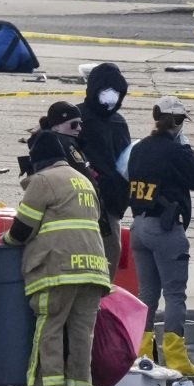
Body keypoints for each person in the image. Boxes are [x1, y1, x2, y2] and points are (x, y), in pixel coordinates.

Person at [0, 126, 112, 386]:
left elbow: (22, 230)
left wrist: (5, 239)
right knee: (82, 334)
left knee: (49, 326)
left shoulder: (43, 181)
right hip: (93, 270)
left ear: (37, 160)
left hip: (58, 269)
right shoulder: (83, 180)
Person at [126, 95, 194, 376]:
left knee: (147, 295)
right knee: (174, 294)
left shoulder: (139, 148)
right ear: (178, 122)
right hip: (164, 228)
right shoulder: (175, 151)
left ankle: (142, 354)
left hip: (138, 226)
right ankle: (175, 357)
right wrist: (187, 151)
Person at [75, 63, 133, 278]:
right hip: (79, 200)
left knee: (109, 255)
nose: (111, 97)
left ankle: (103, 294)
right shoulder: (77, 118)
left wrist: (121, 199)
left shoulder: (118, 123)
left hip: (110, 205)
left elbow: (126, 163)